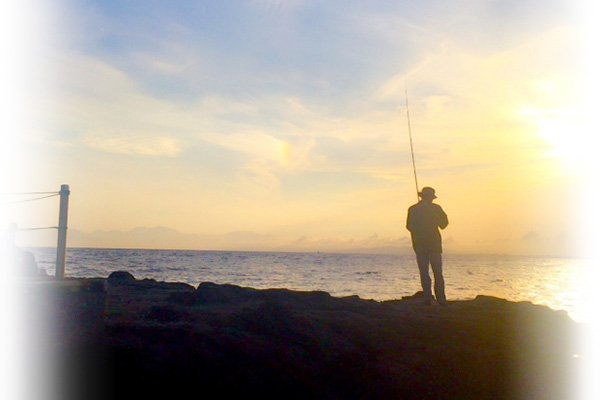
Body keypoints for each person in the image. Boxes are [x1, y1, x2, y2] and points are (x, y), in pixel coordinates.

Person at [406, 187, 449, 305]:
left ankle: (428, 298)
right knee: (437, 273)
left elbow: (409, 226)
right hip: (432, 244)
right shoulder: (435, 208)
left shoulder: (414, 209)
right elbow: (444, 224)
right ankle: (440, 299)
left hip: (421, 244)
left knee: (425, 273)